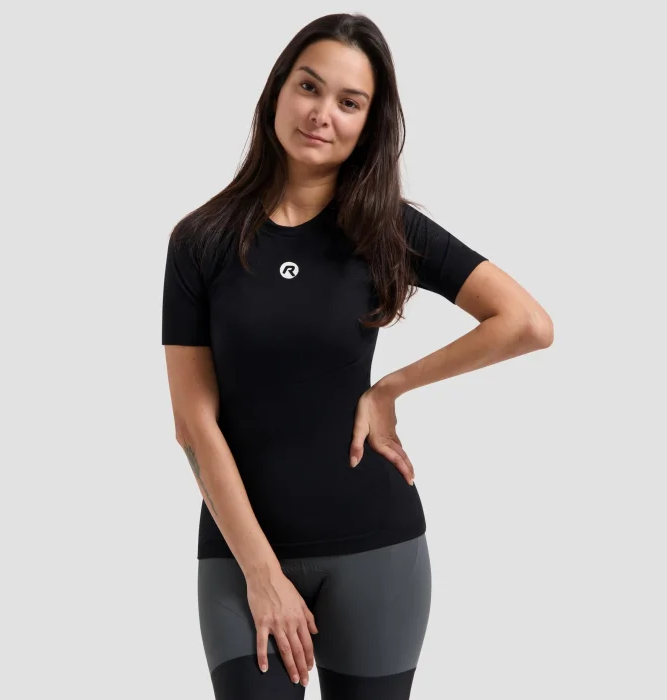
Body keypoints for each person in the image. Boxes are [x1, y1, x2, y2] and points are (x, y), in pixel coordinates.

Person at [161, 12, 553, 700]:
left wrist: (390, 388)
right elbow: (194, 425)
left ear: (369, 123)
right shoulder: (202, 240)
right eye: (309, 87)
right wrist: (262, 573)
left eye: (350, 102)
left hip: (377, 547)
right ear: (278, 90)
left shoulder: (385, 228)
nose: (322, 114)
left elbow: (525, 322)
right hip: (239, 559)